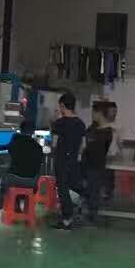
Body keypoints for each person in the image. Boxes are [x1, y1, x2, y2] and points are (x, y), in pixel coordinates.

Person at [51, 93, 86, 230]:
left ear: (62, 106)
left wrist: (55, 119)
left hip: (61, 160)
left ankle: (67, 219)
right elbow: (82, 145)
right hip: (74, 160)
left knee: (63, 189)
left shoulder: (60, 123)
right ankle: (77, 206)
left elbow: (54, 141)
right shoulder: (80, 123)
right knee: (73, 185)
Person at [81, 109, 114, 226]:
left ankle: (92, 217)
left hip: (96, 164)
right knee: (88, 189)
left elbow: (100, 148)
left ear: (100, 114)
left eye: (94, 114)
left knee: (94, 191)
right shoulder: (92, 128)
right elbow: (87, 141)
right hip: (87, 164)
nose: (92, 116)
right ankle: (87, 214)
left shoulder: (107, 132)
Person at [2, 121, 44, 192]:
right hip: (32, 181)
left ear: (20, 130)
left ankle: (5, 198)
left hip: (14, 179)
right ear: (33, 132)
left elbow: (8, 154)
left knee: (1, 180)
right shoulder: (38, 147)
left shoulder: (15, 142)